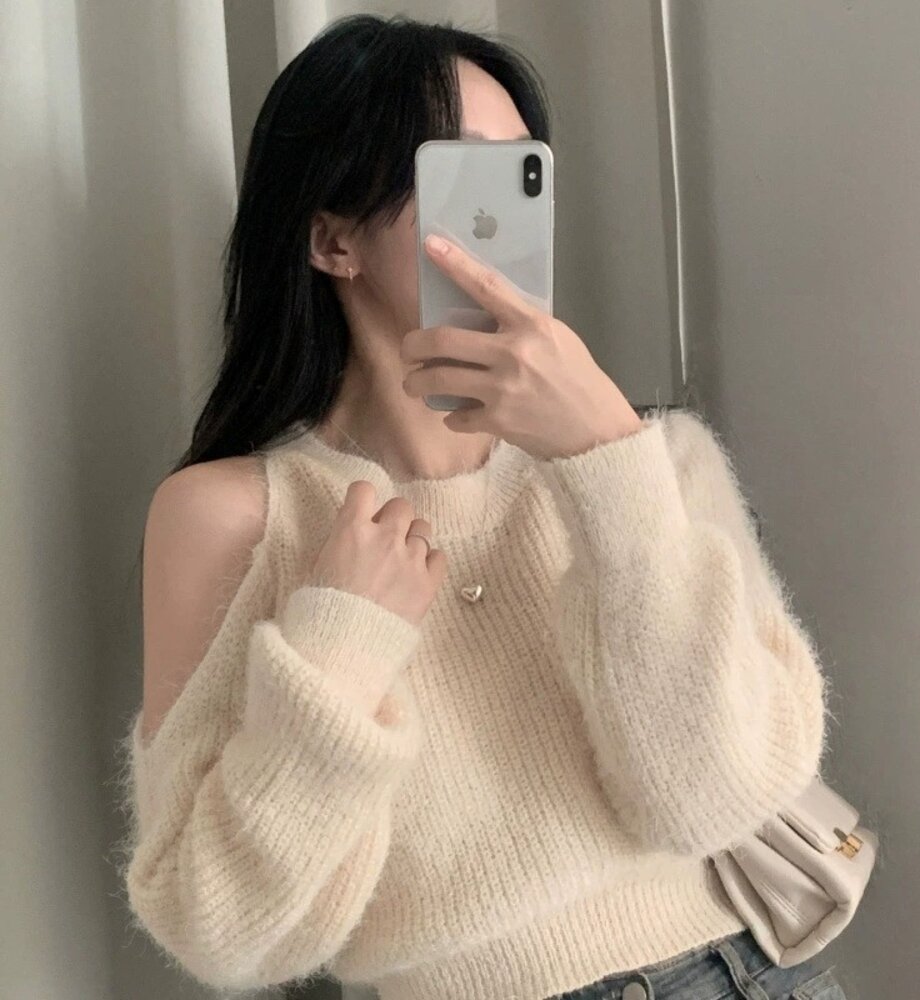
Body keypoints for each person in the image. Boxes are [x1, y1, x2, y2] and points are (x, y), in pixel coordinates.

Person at [115, 13, 849, 1000]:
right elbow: (225, 935)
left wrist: (607, 464)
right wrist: (338, 646)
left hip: (742, 976)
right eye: (468, 174)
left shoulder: (653, 460)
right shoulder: (232, 516)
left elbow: (713, 801)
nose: (509, 214)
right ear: (332, 238)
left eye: (525, 172)